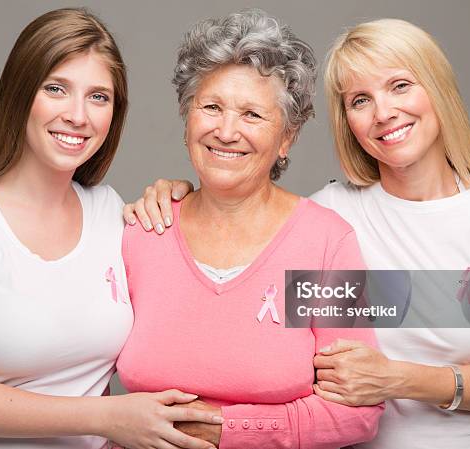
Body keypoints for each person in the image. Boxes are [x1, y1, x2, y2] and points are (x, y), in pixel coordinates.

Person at [126, 18, 470, 449]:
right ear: (348, 121)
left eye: (400, 86)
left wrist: (400, 380)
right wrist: (172, 195)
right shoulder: (332, 216)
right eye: (360, 100)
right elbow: (243, 212)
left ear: (438, 88)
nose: (384, 112)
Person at [0, 8, 223, 449]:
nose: (78, 116)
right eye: (56, 89)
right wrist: (107, 417)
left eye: (98, 97)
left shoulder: (112, 212)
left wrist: (188, 199)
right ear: (20, 93)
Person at [116, 10, 384, 449]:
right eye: (212, 107)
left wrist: (225, 430)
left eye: (252, 114)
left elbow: (357, 413)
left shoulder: (323, 244)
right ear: (187, 120)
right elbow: (78, 376)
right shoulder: (143, 232)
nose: (225, 131)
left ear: (287, 138)